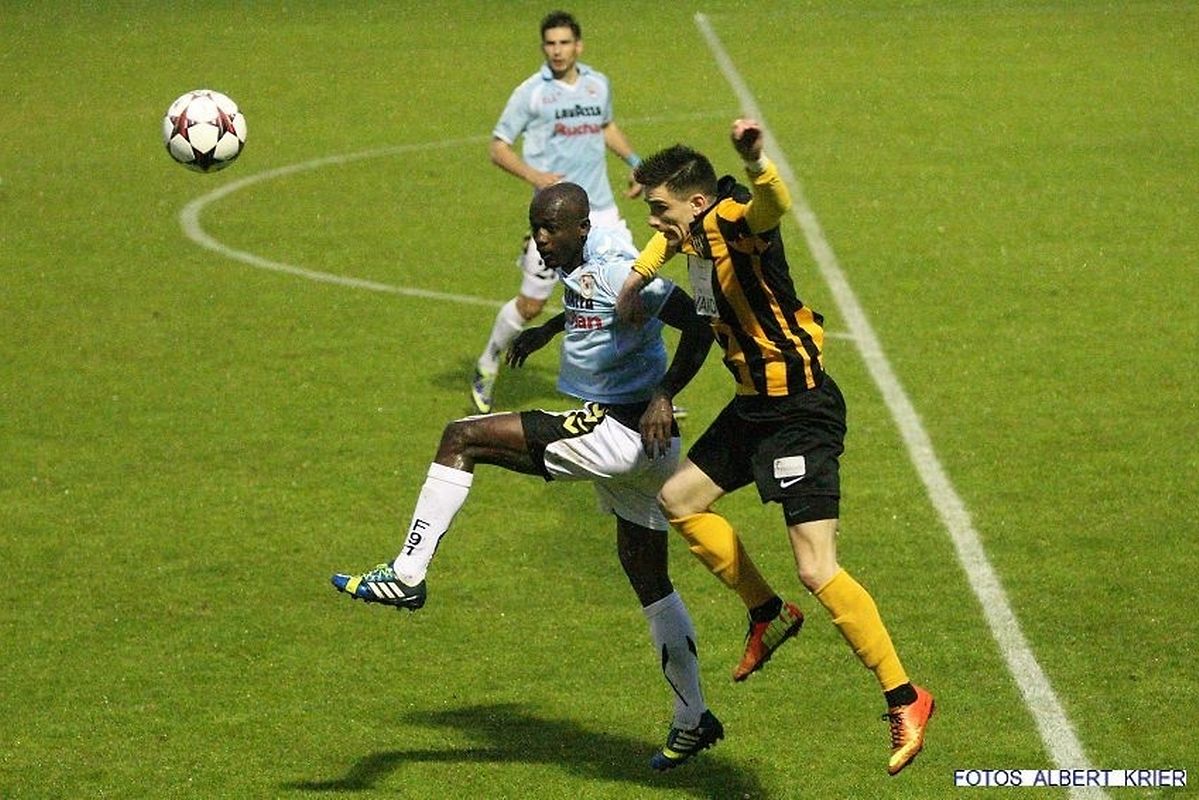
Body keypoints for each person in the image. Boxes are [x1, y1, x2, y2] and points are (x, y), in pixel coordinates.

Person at [333, 183, 721, 771]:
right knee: (649, 580)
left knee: (461, 437)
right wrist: (552, 328)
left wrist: (664, 394)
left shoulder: (618, 268)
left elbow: (698, 324)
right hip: (651, 447)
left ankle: (407, 573)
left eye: (551, 229)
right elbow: (598, 304)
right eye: (536, 227)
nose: (541, 239)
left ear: (581, 228)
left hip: (618, 431)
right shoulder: (584, 264)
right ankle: (693, 718)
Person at [614, 120, 936, 776]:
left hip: (798, 412)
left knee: (817, 568)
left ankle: (905, 696)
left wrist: (757, 161)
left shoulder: (736, 221)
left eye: (660, 209)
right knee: (679, 499)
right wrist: (635, 277)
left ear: (696, 202)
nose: (654, 222)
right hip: (752, 407)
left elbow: (773, 205)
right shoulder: (690, 229)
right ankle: (767, 612)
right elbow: (666, 241)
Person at [471, 10, 643, 415]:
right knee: (530, 306)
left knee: (631, 292)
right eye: (550, 43)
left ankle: (640, 389)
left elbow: (605, 126)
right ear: (543, 47)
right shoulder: (531, 93)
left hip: (601, 211)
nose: (557, 50)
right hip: (553, 221)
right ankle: (488, 361)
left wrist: (636, 162)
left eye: (564, 43)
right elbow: (498, 147)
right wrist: (534, 176)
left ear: (578, 46)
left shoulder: (598, 84)